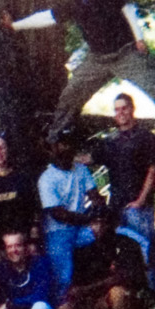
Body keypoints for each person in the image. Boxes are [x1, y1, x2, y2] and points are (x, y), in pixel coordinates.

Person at [4, 0, 149, 139]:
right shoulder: (74, 3)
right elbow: (47, 17)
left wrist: (139, 37)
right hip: (97, 60)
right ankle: (54, 141)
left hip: (126, 54)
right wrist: (15, 26)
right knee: (69, 96)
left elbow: (127, 8)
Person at [59, 202, 150, 309]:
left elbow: (125, 277)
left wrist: (89, 289)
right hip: (97, 301)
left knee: (117, 293)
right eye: (94, 223)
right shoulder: (85, 251)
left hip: (129, 302)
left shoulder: (127, 244)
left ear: (111, 224)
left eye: (103, 223)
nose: (99, 227)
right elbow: (77, 285)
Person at [90, 92, 155, 253]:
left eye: (124, 108)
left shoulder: (145, 137)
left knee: (144, 251)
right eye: (117, 110)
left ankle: (149, 279)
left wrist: (141, 200)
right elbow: (90, 159)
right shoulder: (110, 141)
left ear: (132, 109)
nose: (120, 113)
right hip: (116, 206)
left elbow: (153, 170)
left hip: (138, 208)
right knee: (123, 253)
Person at [38, 128, 99, 300]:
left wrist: (99, 215)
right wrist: (88, 218)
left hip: (80, 228)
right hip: (58, 231)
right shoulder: (47, 178)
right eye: (61, 145)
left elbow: (95, 196)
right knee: (63, 277)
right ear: (54, 149)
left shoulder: (81, 170)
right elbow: (58, 214)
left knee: (103, 236)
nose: (66, 149)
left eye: (69, 145)